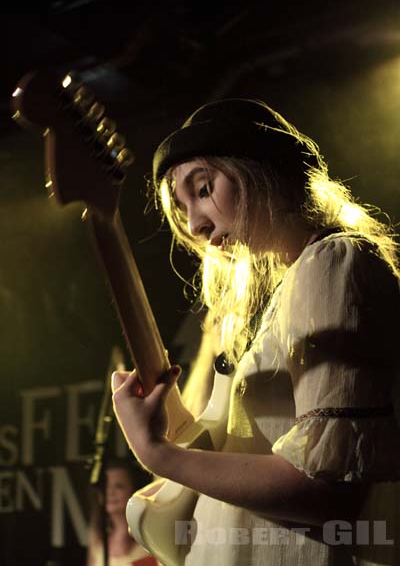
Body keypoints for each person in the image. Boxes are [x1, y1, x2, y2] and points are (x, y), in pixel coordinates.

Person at [111, 99, 400, 565]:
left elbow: (328, 493)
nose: (194, 225)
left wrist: (156, 453)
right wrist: (173, 421)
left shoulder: (333, 262)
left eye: (203, 189)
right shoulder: (297, 283)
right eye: (183, 207)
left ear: (260, 169)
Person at [86, 458, 158, 566]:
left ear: (134, 490)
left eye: (119, 486)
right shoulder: (97, 542)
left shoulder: (149, 542)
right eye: (105, 486)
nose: (110, 492)